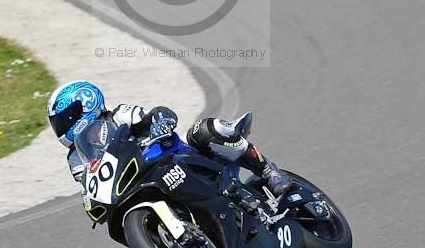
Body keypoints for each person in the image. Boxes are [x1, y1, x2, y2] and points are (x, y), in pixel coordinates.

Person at [47, 80, 292, 196]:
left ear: (86, 102)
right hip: (137, 187)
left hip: (172, 158)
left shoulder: (118, 116)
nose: (63, 128)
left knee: (205, 130)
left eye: (66, 119)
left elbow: (155, 114)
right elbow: (89, 186)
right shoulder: (75, 157)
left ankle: (269, 171)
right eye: (58, 124)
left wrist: (160, 123)